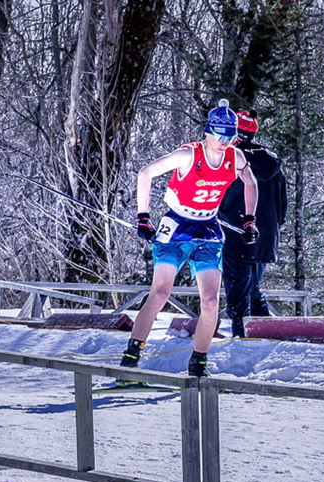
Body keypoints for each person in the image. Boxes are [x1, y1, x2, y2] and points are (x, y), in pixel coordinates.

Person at [123, 102, 259, 379]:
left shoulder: (235, 157)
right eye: (220, 135)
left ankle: (198, 364)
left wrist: (249, 219)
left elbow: (251, 182)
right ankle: (131, 357)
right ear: (208, 132)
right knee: (160, 293)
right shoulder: (188, 155)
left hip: (208, 230)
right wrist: (143, 217)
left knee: (210, 301)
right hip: (177, 227)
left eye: (230, 136)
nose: (224, 142)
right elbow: (145, 173)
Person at [221, 110, 288, 338]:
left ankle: (242, 339)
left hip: (234, 232)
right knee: (254, 289)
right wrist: (271, 229)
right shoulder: (271, 163)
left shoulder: (230, 160)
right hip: (264, 237)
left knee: (238, 294)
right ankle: (263, 335)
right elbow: (282, 205)